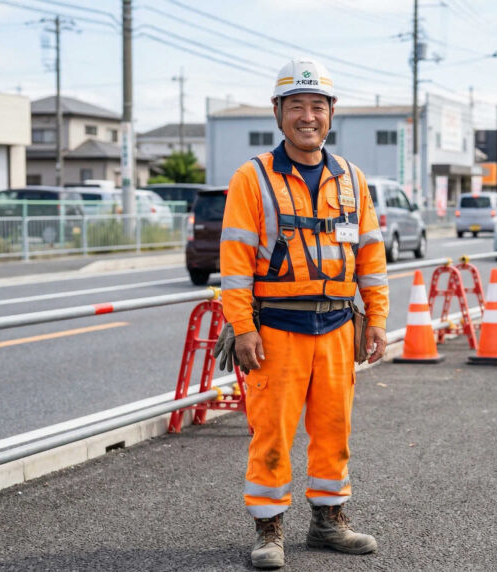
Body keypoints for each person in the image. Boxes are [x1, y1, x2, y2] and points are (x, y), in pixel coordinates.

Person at [218, 57, 390, 569]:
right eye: (297, 106)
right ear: (278, 113)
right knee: (270, 432)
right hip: (276, 329)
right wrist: (242, 327)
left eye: (318, 106)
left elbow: (371, 256)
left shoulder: (352, 179)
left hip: (338, 325)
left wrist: (376, 318)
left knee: (334, 428)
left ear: (332, 113)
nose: (308, 116)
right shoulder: (252, 179)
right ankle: (269, 531)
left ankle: (328, 522)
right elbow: (234, 263)